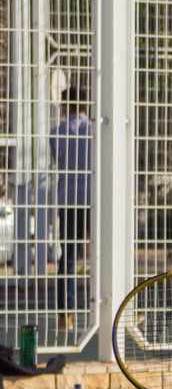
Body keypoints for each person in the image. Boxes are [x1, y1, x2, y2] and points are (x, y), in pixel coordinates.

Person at [49, 84, 92, 328]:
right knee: (105, 253)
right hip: (93, 201)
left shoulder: (57, 133)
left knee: (69, 258)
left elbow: (58, 159)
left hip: (68, 201)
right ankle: (115, 304)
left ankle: (65, 314)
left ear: (66, 106)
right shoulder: (95, 131)